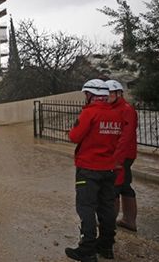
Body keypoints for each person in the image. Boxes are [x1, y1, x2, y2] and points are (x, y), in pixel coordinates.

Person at [65, 79, 122, 262]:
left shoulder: (89, 113)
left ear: (90, 95)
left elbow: (75, 136)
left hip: (88, 168)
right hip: (109, 169)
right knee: (106, 207)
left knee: (86, 207)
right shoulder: (116, 115)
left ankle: (87, 249)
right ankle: (106, 246)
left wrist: (71, 131)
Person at [106, 79, 138, 232]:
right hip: (120, 153)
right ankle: (128, 220)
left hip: (123, 155)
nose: (108, 96)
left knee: (115, 186)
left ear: (119, 93)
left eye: (111, 93)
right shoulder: (114, 108)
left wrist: (117, 158)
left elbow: (126, 136)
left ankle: (110, 221)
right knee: (124, 185)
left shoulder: (126, 109)